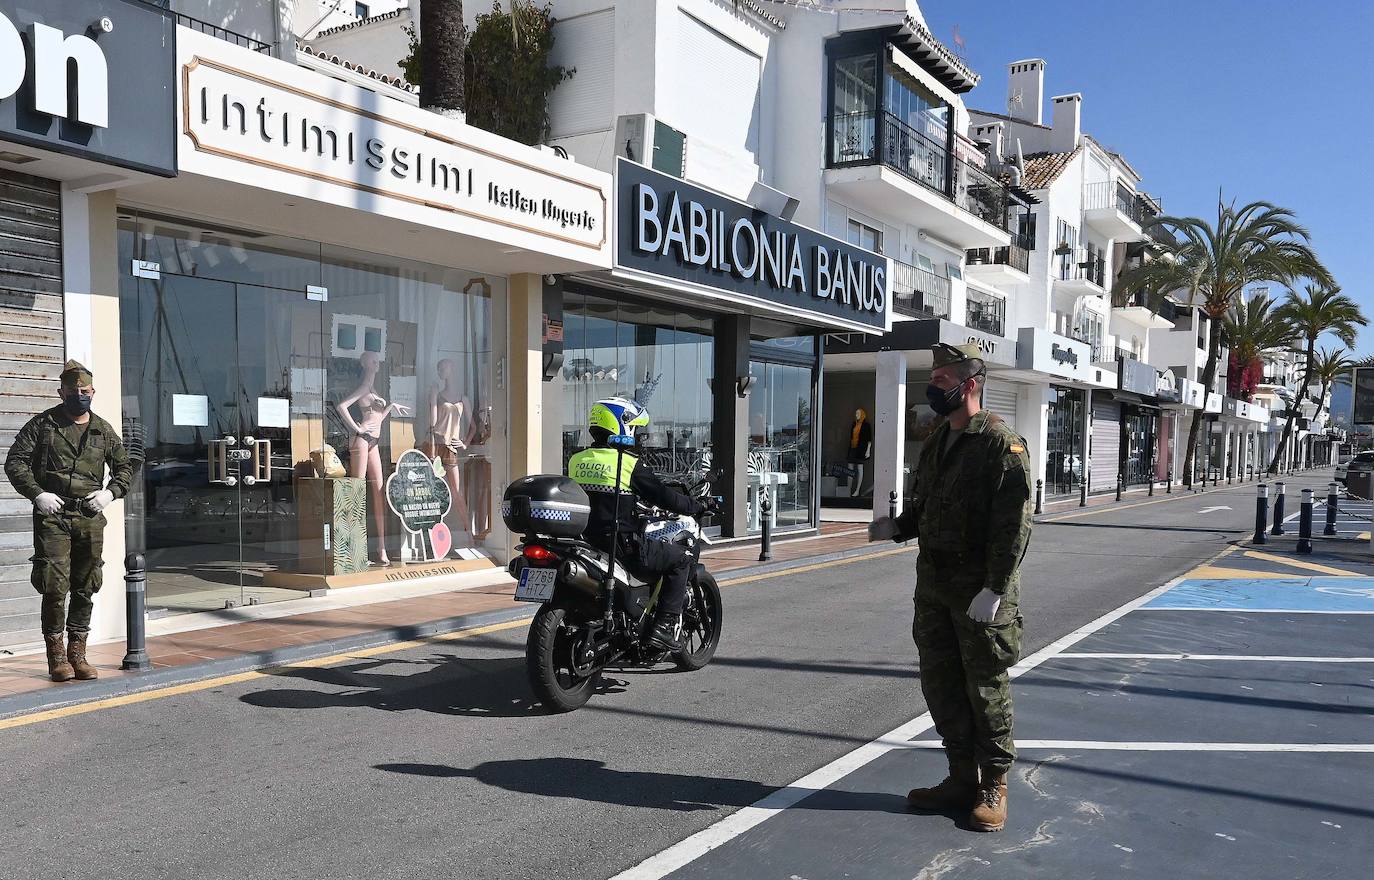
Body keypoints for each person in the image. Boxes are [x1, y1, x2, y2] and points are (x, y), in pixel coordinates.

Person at [868, 342, 1032, 833]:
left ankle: (994, 786)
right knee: (940, 686)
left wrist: (995, 589)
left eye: (942, 380)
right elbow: (928, 506)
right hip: (935, 590)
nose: (933, 387)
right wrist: (894, 528)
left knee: (985, 688)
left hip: (980, 594)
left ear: (971, 384)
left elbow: (1014, 527)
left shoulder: (1002, 445)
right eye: (934, 378)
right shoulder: (940, 441)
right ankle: (960, 777)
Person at [4, 360, 133, 682]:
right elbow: (15, 462)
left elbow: (125, 467)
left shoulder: (102, 429)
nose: (81, 396)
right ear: (61, 392)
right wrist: (36, 494)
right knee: (54, 585)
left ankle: (79, 653)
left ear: (93, 392)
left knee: (86, 584)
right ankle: (57, 657)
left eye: (86, 391)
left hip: (89, 514)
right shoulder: (43, 424)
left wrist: (110, 493)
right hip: (54, 515)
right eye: (74, 391)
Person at [567, 398, 709, 652]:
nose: (639, 437)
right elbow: (665, 497)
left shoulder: (576, 460)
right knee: (682, 559)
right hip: (623, 546)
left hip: (587, 542)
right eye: (636, 430)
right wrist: (696, 506)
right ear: (623, 427)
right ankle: (663, 628)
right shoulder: (629, 464)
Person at [337, 351, 411, 565]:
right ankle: (353, 548)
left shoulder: (373, 389)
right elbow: (342, 406)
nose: (376, 363)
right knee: (356, 491)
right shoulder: (363, 388)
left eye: (377, 360)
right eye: (371, 360)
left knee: (379, 491)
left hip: (374, 444)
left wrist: (390, 406)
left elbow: (376, 416)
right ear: (363, 363)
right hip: (363, 441)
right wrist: (356, 429)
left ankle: (381, 547)